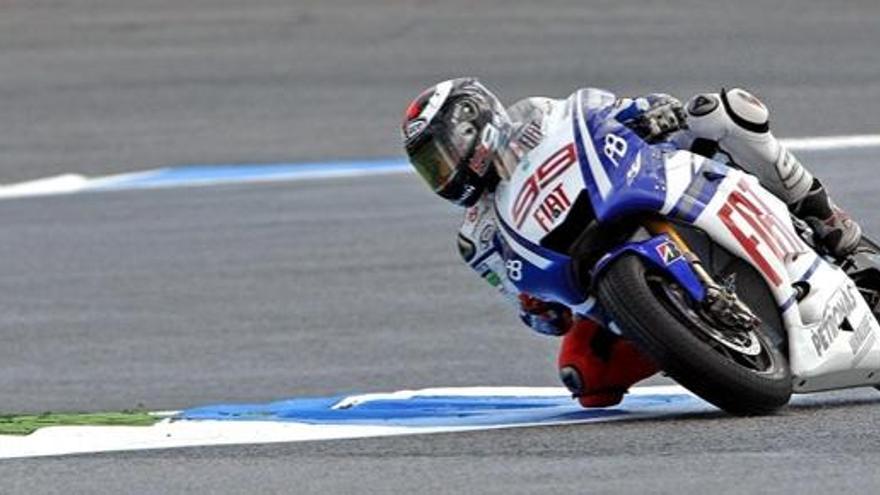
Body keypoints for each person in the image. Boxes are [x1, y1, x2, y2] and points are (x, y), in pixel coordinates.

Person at [400, 78, 862, 408]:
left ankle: (826, 218)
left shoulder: (539, 120)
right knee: (585, 379)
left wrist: (650, 112)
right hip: (587, 275)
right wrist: (534, 306)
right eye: (430, 168)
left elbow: (602, 115)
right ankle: (700, 335)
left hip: (640, 183)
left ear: (474, 128)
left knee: (722, 111)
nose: (442, 173)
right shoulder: (476, 237)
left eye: (441, 156)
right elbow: (541, 317)